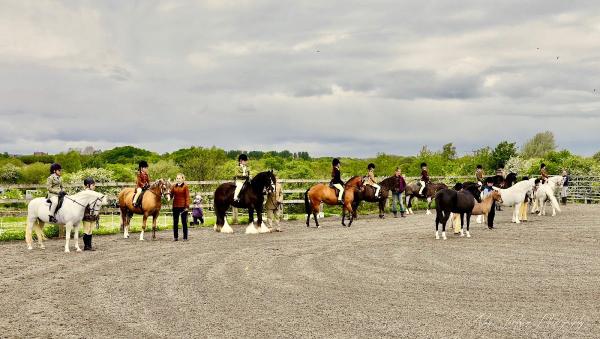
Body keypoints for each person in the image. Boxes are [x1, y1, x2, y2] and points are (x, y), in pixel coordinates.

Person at [170, 173, 190, 241]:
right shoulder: (173, 186)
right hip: (175, 206)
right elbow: (171, 195)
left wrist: (187, 206)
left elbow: (187, 197)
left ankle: (185, 237)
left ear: (182, 179)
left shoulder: (185, 186)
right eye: (177, 178)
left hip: (183, 207)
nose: (178, 180)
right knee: (175, 222)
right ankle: (175, 237)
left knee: (184, 222)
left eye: (179, 178)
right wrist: (168, 197)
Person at [82, 177, 99, 251]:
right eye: (92, 185)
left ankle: (89, 245)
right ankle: (86, 246)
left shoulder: (93, 193)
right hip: (86, 214)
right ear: (88, 185)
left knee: (90, 230)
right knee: (87, 229)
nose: (94, 186)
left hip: (92, 214)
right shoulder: (85, 193)